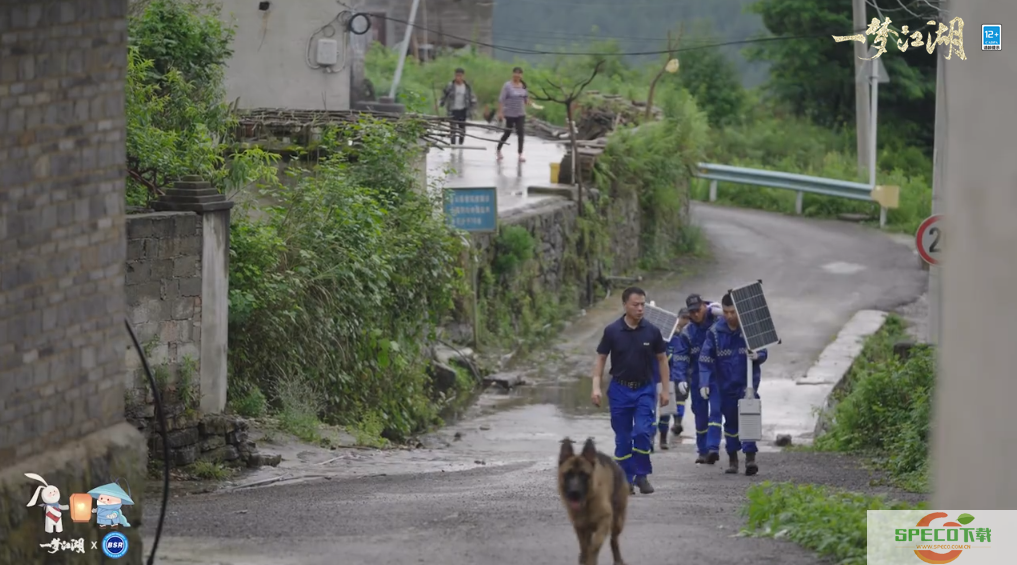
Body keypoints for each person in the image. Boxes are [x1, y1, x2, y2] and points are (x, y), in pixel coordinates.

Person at [591, 286, 670, 494]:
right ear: (625, 305)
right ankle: (626, 478)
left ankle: (641, 476)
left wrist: (665, 390)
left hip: (644, 389)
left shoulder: (652, 331)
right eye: (636, 305)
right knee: (623, 437)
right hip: (619, 390)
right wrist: (596, 387)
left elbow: (662, 359)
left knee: (643, 431)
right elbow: (600, 359)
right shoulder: (612, 331)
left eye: (643, 304)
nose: (640, 308)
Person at [698, 293, 768, 476]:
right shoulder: (715, 332)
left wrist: (758, 356)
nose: (729, 316)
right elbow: (705, 359)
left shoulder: (750, 329)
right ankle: (733, 459)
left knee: (749, 417)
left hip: (747, 385)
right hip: (725, 386)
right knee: (730, 423)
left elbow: (763, 350)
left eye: (733, 312)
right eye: (726, 312)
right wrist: (704, 382)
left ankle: (751, 459)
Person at [672, 294, 723, 464]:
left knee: (716, 411)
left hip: (717, 376)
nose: (695, 315)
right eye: (691, 312)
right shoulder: (687, 333)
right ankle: (703, 450)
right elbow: (680, 357)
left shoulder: (717, 321)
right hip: (696, 377)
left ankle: (713, 448)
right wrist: (680, 378)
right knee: (700, 415)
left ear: (704, 306)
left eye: (698, 310)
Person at [658, 307, 691, 445]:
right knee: (666, 408)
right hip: (668, 376)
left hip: (683, 375)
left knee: (680, 402)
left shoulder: (689, 334)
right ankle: (663, 437)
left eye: (687, 318)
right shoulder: (667, 335)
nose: (685, 321)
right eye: (683, 318)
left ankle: (677, 425)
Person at [496, 67, 532, 162]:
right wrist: (500, 112)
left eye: (519, 73)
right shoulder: (507, 85)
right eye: (515, 73)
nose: (517, 75)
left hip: (520, 113)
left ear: (521, 75)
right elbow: (501, 99)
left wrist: (528, 102)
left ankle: (520, 154)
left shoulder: (523, 86)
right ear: (512, 74)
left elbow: (525, 99)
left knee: (521, 133)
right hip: (509, 113)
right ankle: (498, 149)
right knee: (507, 133)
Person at [439, 68, 476, 145]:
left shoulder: (467, 87)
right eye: (457, 76)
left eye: (460, 76)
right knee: (453, 129)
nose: (458, 77)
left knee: (462, 129)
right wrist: (440, 103)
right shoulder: (450, 86)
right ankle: (453, 146)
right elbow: (444, 95)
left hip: (463, 110)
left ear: (463, 76)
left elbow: (472, 98)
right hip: (452, 110)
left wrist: (473, 108)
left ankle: (460, 145)